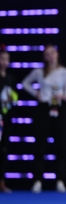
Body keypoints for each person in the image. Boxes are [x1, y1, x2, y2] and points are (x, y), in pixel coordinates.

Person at [21, 45, 66, 193]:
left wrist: (62, 96)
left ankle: (60, 180)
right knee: (40, 145)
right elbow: (25, 83)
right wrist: (36, 93)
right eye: (46, 54)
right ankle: (37, 180)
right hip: (43, 109)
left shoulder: (65, 73)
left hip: (60, 109)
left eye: (52, 53)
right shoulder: (39, 72)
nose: (50, 56)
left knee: (61, 146)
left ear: (57, 55)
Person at [1, 46, 19, 193]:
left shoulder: (11, 77)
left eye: (7, 59)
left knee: (4, 149)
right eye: (2, 59)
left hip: (6, 116)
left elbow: (15, 96)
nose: (4, 62)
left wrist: (11, 98)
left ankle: (2, 182)